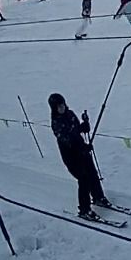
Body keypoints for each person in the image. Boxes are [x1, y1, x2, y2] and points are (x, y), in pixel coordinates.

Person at [49, 92, 111, 220]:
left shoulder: (70, 115)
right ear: (54, 108)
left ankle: (98, 196)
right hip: (71, 158)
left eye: (63, 105)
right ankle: (84, 209)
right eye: (59, 106)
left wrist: (85, 125)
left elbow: (77, 130)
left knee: (92, 173)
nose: (62, 108)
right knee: (83, 179)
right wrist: (82, 147)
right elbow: (67, 140)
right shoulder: (56, 123)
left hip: (82, 151)